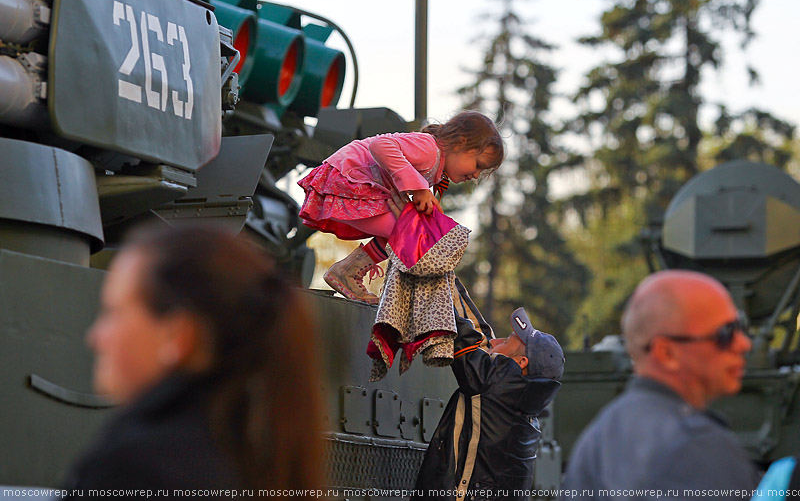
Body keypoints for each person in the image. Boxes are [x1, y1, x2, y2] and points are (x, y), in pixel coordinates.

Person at [62, 224, 325, 499]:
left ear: (177, 335)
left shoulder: (136, 469)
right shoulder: (250, 457)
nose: (96, 337)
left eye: (113, 312)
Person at [561, 270, 760, 500]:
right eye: (725, 334)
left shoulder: (597, 439)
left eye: (740, 329)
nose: (744, 344)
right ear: (667, 353)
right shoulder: (697, 448)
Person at [298, 110, 504, 304]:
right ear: (461, 143)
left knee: (411, 228)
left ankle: (347, 271)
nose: (476, 175)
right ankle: (350, 272)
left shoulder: (436, 166)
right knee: (410, 230)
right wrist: (419, 188)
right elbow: (380, 146)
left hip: (349, 179)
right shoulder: (430, 149)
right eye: (477, 165)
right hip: (345, 177)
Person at [413, 300, 563, 501]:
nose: (494, 341)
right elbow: (481, 336)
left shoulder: (495, 383)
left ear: (521, 362)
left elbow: (457, 329)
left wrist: (433, 276)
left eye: (507, 340)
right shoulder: (520, 400)